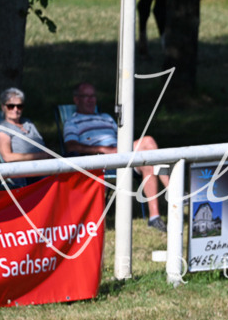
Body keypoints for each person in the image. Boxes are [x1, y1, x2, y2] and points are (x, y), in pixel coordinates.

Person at [63, 82, 168, 232]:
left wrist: (118, 149)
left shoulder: (106, 117)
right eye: (86, 96)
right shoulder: (72, 122)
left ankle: (155, 216)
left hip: (121, 154)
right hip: (100, 161)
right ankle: (173, 191)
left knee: (148, 144)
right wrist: (103, 150)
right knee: (148, 149)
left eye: (93, 96)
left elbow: (123, 138)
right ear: (76, 100)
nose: (90, 99)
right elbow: (71, 146)